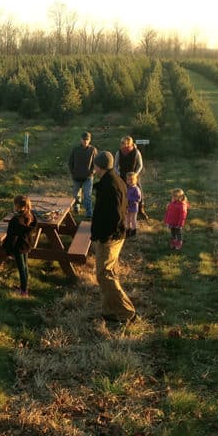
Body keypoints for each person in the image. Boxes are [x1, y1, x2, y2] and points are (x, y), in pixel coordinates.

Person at [91, 151, 137, 323]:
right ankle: (110, 310)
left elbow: (116, 215)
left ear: (99, 166)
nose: (94, 168)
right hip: (114, 235)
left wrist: (105, 237)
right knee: (110, 272)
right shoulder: (115, 180)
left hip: (110, 238)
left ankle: (126, 311)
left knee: (105, 274)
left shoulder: (110, 185)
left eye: (95, 165)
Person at [3, 195, 39, 297]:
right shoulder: (31, 216)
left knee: (21, 268)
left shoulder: (15, 220)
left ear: (18, 206)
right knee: (25, 266)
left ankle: (23, 291)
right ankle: (24, 286)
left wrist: (8, 249)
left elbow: (12, 237)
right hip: (27, 244)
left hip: (18, 246)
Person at [115, 135, 147, 220]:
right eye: (121, 143)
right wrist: (119, 174)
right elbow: (115, 166)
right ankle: (121, 210)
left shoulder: (136, 152)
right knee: (121, 193)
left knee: (138, 191)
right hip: (123, 176)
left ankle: (141, 209)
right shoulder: (119, 152)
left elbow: (140, 165)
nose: (122, 144)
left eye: (124, 143)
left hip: (134, 176)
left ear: (129, 143)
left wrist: (136, 174)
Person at [68, 131, 97, 218]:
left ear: (90, 140)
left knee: (87, 195)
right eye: (84, 139)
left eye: (87, 140)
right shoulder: (75, 149)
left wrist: (92, 172)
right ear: (81, 140)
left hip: (88, 177)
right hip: (76, 176)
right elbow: (70, 162)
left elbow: (95, 164)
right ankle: (76, 208)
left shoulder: (93, 150)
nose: (85, 141)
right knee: (76, 195)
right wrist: (72, 172)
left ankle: (89, 213)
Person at [125, 172, 142, 238]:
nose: (130, 181)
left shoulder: (136, 189)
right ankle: (128, 230)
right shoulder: (127, 188)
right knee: (127, 219)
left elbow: (138, 199)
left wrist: (130, 199)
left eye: (132, 179)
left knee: (133, 220)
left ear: (135, 180)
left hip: (133, 207)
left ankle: (134, 231)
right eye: (128, 179)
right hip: (127, 207)